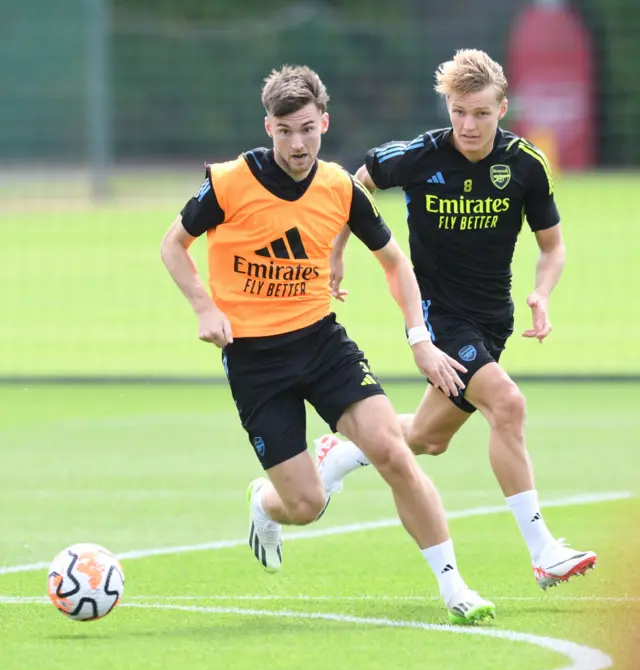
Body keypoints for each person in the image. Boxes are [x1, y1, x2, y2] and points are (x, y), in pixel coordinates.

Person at [160, 64, 495, 624]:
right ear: (269, 126)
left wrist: (419, 339)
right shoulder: (229, 183)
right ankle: (264, 503)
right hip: (254, 360)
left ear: (325, 123)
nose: (298, 143)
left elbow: (395, 263)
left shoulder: (339, 187)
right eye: (286, 130)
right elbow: (174, 246)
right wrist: (205, 308)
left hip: (321, 343)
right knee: (307, 504)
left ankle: (455, 588)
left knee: (393, 451)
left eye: (308, 129)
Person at [315, 49, 596, 590]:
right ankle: (543, 550)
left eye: (482, 114)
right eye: (459, 111)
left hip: (492, 319)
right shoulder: (419, 155)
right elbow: (352, 188)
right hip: (440, 317)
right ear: (447, 105)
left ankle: (344, 452)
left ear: (503, 108)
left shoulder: (526, 166)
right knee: (507, 404)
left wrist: (542, 292)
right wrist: (337, 251)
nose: (468, 125)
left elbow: (553, 247)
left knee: (426, 438)